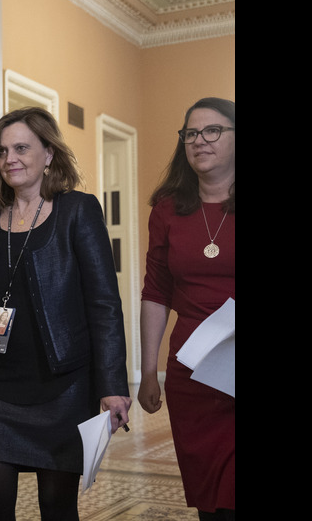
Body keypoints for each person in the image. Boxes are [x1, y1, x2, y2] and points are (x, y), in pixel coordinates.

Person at [0, 107, 131, 521]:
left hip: (63, 386)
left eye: (21, 148)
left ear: (48, 154)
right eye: (1, 151)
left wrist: (111, 383)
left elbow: (104, 303)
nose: (9, 158)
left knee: (56, 507)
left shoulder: (77, 210)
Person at [138, 98, 235, 521]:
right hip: (192, 371)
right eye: (191, 134)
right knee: (211, 502)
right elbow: (156, 291)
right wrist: (146, 371)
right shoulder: (167, 210)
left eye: (212, 131)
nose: (199, 141)